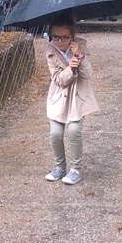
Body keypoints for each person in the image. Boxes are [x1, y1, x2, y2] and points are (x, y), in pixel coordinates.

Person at [44, 12, 99, 185]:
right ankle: (60, 167)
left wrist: (80, 57)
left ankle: (75, 169)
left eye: (64, 38)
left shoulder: (80, 45)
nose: (60, 42)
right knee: (55, 133)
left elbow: (88, 74)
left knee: (74, 131)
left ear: (72, 35)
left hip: (78, 95)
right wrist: (70, 68)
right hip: (59, 95)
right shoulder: (50, 50)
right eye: (56, 37)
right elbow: (58, 79)